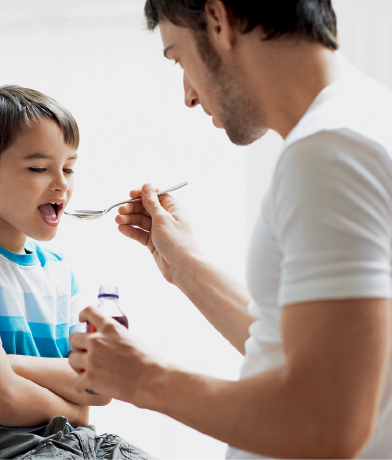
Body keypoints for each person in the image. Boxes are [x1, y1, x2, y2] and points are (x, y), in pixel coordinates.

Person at [68, 1, 392, 459]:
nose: (188, 95)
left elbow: (326, 422)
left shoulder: (330, 152)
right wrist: (186, 265)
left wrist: (143, 378)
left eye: (179, 58)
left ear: (218, 20)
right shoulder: (367, 117)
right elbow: (299, 347)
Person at [0, 86, 158, 460]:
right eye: (39, 168)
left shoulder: (58, 271)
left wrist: (4, 366)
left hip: (63, 441)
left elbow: (98, 388)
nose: (62, 183)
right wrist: (73, 409)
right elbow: (5, 401)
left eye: (69, 167)